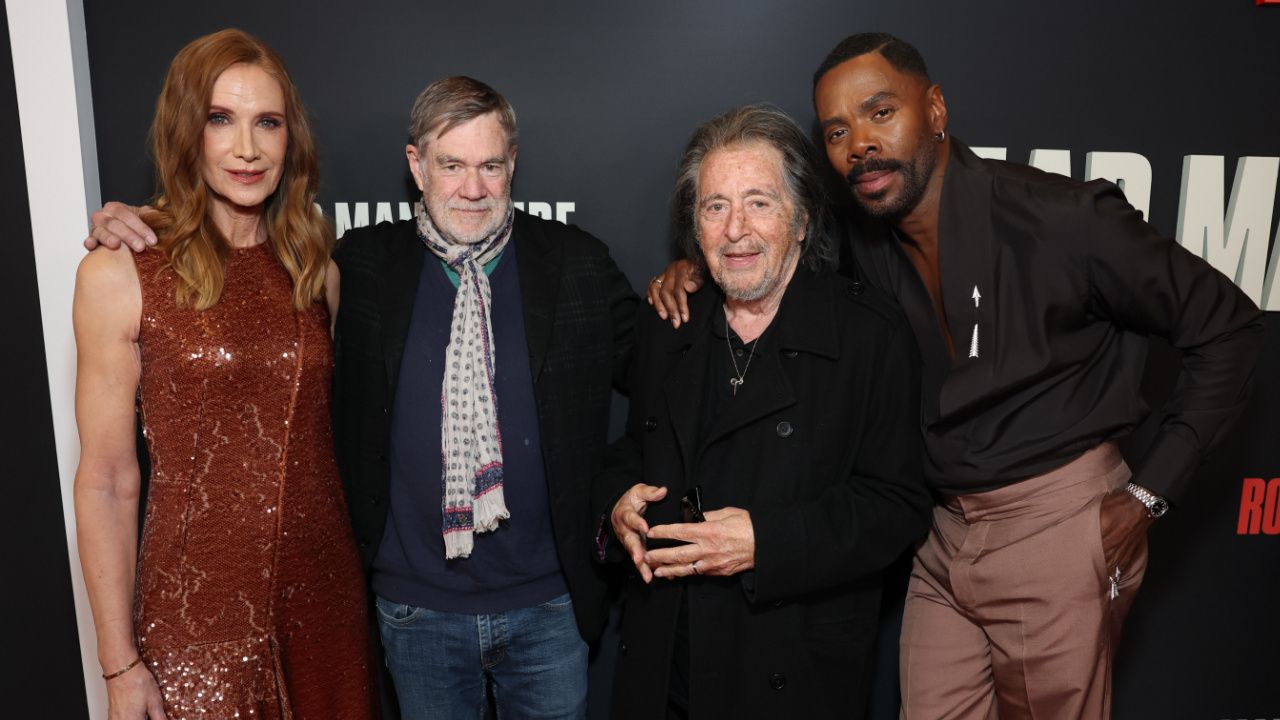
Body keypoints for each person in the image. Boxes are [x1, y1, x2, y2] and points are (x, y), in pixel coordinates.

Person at [651, 33, 1265, 719]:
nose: (860, 144)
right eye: (837, 131)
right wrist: (696, 270)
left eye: (881, 112)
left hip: (1057, 524)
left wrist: (1149, 495)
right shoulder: (861, 235)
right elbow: (763, 250)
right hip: (941, 533)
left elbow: (1230, 328)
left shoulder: (1064, 218)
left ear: (936, 110)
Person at [89, 76, 637, 719]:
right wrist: (142, 222)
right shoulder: (360, 266)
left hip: (549, 608)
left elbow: (666, 371)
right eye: (451, 165)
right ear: (416, 166)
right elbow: (239, 266)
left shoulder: (577, 263)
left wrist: (692, 277)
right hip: (414, 614)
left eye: (490, 165)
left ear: (512, 164)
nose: (473, 187)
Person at [73, 29, 375, 720]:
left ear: (290, 139)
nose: (247, 148)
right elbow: (107, 480)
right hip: (193, 624)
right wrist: (119, 664)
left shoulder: (316, 273)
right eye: (220, 119)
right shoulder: (120, 271)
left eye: (267, 122)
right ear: (187, 130)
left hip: (326, 611)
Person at [599, 104, 931, 719]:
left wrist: (767, 543)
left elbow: (896, 504)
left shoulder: (869, 335)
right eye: (715, 206)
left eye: (759, 202)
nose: (736, 230)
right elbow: (635, 448)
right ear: (694, 225)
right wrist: (617, 502)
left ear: (801, 220)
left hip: (790, 666)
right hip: (666, 662)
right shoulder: (668, 323)